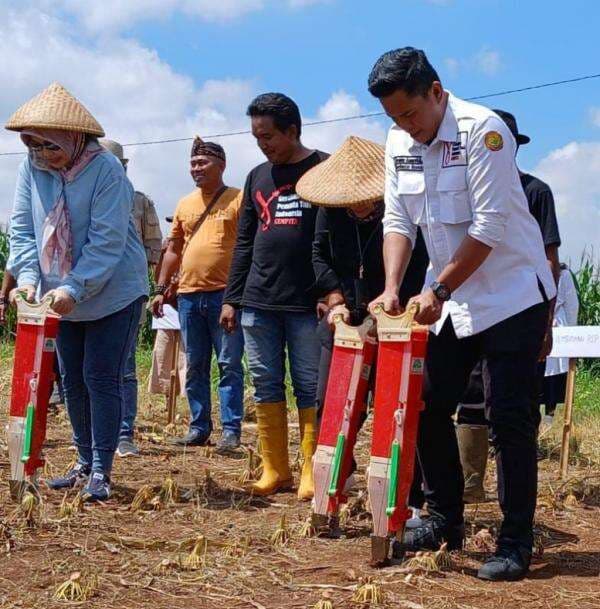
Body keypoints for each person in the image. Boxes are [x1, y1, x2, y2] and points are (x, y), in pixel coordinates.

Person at [367, 48, 556, 580]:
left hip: (512, 294)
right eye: (394, 117)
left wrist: (441, 288)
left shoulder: (484, 132)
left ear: (436, 91)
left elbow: (490, 227)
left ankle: (516, 539)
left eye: (411, 113)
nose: (406, 126)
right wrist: (390, 287)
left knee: (508, 419)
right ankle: (444, 517)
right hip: (449, 295)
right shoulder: (399, 140)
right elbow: (399, 219)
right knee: (427, 404)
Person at [6, 82, 148, 502]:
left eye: (50, 147)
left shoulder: (107, 172)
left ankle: (102, 468)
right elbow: (22, 227)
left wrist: (74, 287)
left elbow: (106, 244)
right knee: (71, 379)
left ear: (74, 137)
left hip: (113, 290)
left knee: (100, 376)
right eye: (33, 147)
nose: (42, 156)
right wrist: (29, 279)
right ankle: (83, 460)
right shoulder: (31, 169)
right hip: (57, 292)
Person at [298, 134, 429, 516]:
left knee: (399, 408)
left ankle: (408, 496)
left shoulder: (403, 212)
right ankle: (336, 480)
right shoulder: (331, 210)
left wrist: (386, 312)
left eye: (365, 200)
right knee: (330, 402)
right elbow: (319, 255)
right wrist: (335, 300)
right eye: (349, 201)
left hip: (394, 317)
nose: (356, 207)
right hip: (345, 317)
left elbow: (416, 264)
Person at [220, 93, 328, 500]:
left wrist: (329, 291)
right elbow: (244, 241)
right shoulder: (256, 176)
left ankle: (310, 471)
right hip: (258, 300)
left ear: (293, 130)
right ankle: (275, 468)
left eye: (268, 136)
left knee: (308, 384)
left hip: (306, 302)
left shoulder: (323, 168)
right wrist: (232, 298)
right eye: (257, 136)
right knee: (265, 382)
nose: (262, 143)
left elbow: (332, 238)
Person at [455, 109, 562, 499]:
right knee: (469, 396)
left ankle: (513, 503)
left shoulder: (535, 192)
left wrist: (546, 321)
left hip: (518, 312)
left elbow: (548, 260)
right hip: (471, 310)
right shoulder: (462, 193)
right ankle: (469, 484)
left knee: (512, 407)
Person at [151, 137, 244, 452]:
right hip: (189, 296)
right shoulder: (184, 203)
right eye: (192, 164)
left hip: (225, 296)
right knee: (195, 364)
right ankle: (199, 428)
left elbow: (248, 246)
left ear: (221, 165)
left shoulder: (237, 199)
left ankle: (231, 431)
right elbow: (173, 249)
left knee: (229, 363)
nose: (196, 169)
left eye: (202, 163)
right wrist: (161, 289)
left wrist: (238, 294)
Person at [100, 138, 163, 457]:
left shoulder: (139, 202)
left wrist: (150, 288)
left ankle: (124, 434)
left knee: (124, 365)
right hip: (89, 294)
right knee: (91, 367)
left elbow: (154, 248)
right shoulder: (84, 197)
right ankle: (97, 435)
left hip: (126, 293)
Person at [542, 263, 579, 418]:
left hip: (556, 330)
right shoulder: (564, 275)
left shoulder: (563, 274)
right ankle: (547, 418)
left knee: (550, 378)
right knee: (549, 380)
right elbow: (572, 307)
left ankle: (548, 419)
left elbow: (571, 307)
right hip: (552, 329)